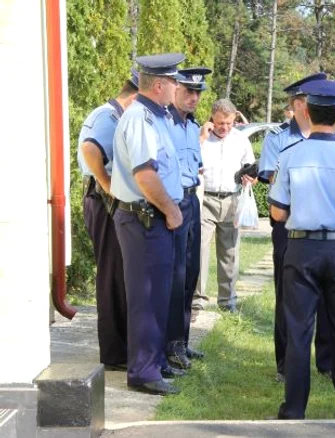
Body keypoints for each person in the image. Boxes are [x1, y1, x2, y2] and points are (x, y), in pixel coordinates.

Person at [268, 79, 335, 419]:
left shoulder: (289, 156)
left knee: (299, 330)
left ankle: (295, 408)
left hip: (300, 250)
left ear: (307, 111)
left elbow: (277, 212)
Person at [111, 52, 187, 396]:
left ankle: (152, 365)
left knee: (157, 295)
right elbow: (146, 175)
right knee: (146, 296)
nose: (178, 87)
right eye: (174, 81)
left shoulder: (155, 117)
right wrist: (171, 210)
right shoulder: (141, 118)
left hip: (149, 219)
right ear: (160, 85)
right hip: (145, 219)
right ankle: (143, 372)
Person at [258, 72, 332, 383]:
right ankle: (286, 365)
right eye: (314, 100)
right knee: (288, 296)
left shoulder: (329, 135)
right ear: (299, 104)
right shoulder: (277, 137)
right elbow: (272, 176)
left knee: (327, 297)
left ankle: (327, 364)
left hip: (323, 228)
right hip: (288, 228)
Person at [77, 69, 138, 371]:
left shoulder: (113, 114)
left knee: (117, 273)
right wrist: (108, 184)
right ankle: (115, 354)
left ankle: (120, 349)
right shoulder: (108, 117)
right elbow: (90, 150)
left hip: (107, 200)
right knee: (112, 274)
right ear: (136, 96)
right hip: (104, 202)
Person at [164, 67, 212, 370]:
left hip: (191, 198)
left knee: (191, 272)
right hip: (172, 201)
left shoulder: (191, 125)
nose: (194, 97)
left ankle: (182, 340)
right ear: (174, 89)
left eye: (198, 92)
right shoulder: (164, 122)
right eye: (188, 91)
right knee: (176, 275)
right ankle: (170, 344)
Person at [193, 99, 256, 313]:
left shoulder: (241, 140)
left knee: (229, 251)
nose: (225, 127)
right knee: (199, 248)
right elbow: (189, 162)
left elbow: (251, 170)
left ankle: (227, 300)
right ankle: (198, 298)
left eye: (229, 123)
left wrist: (250, 177)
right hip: (205, 199)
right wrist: (201, 139)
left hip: (231, 200)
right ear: (212, 118)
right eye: (220, 123)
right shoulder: (201, 137)